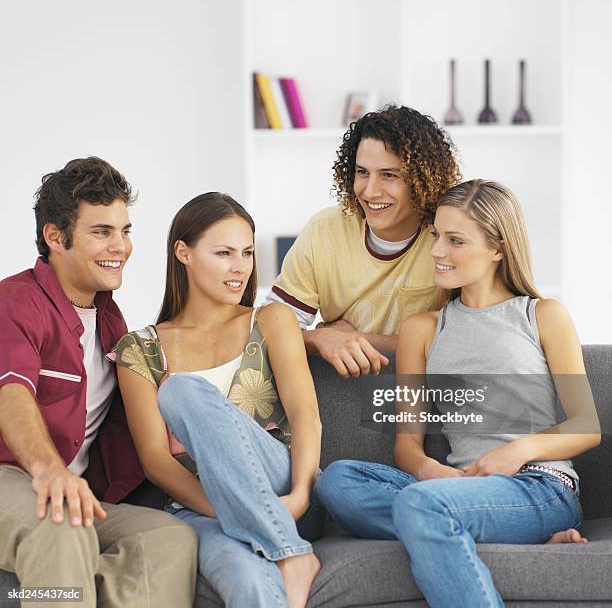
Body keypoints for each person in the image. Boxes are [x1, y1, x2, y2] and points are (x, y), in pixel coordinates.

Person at [315, 180, 600, 607]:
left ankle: (444, 521)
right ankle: (454, 525)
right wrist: (433, 474)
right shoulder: (423, 329)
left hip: (539, 486)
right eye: (435, 237)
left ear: (497, 249)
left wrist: (516, 452)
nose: (436, 251)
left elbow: (586, 426)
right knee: (338, 481)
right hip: (455, 489)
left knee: (422, 507)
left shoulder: (541, 315)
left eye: (455, 240)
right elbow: (407, 446)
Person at [0, 157, 197, 607]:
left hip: (78, 491)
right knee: (61, 522)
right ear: (55, 237)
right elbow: (11, 393)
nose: (121, 246)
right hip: (12, 478)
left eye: (125, 231)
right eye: (101, 231)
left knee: (168, 539)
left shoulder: (110, 319)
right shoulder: (15, 301)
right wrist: (50, 471)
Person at [110, 192, 323, 608]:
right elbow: (156, 461)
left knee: (180, 390)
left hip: (282, 490)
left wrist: (299, 495)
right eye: (223, 253)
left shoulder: (271, 320)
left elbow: (306, 416)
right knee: (245, 580)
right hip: (200, 508)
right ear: (183, 253)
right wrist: (226, 509)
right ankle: (288, 554)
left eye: (246, 252)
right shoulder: (139, 349)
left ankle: (294, 552)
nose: (240, 267)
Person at [266, 105, 461, 378]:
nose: (370, 191)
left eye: (389, 175)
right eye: (362, 172)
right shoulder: (324, 231)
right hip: (342, 389)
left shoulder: (450, 235)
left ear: (422, 180)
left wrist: (359, 339)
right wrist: (319, 340)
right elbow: (267, 332)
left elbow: (470, 339)